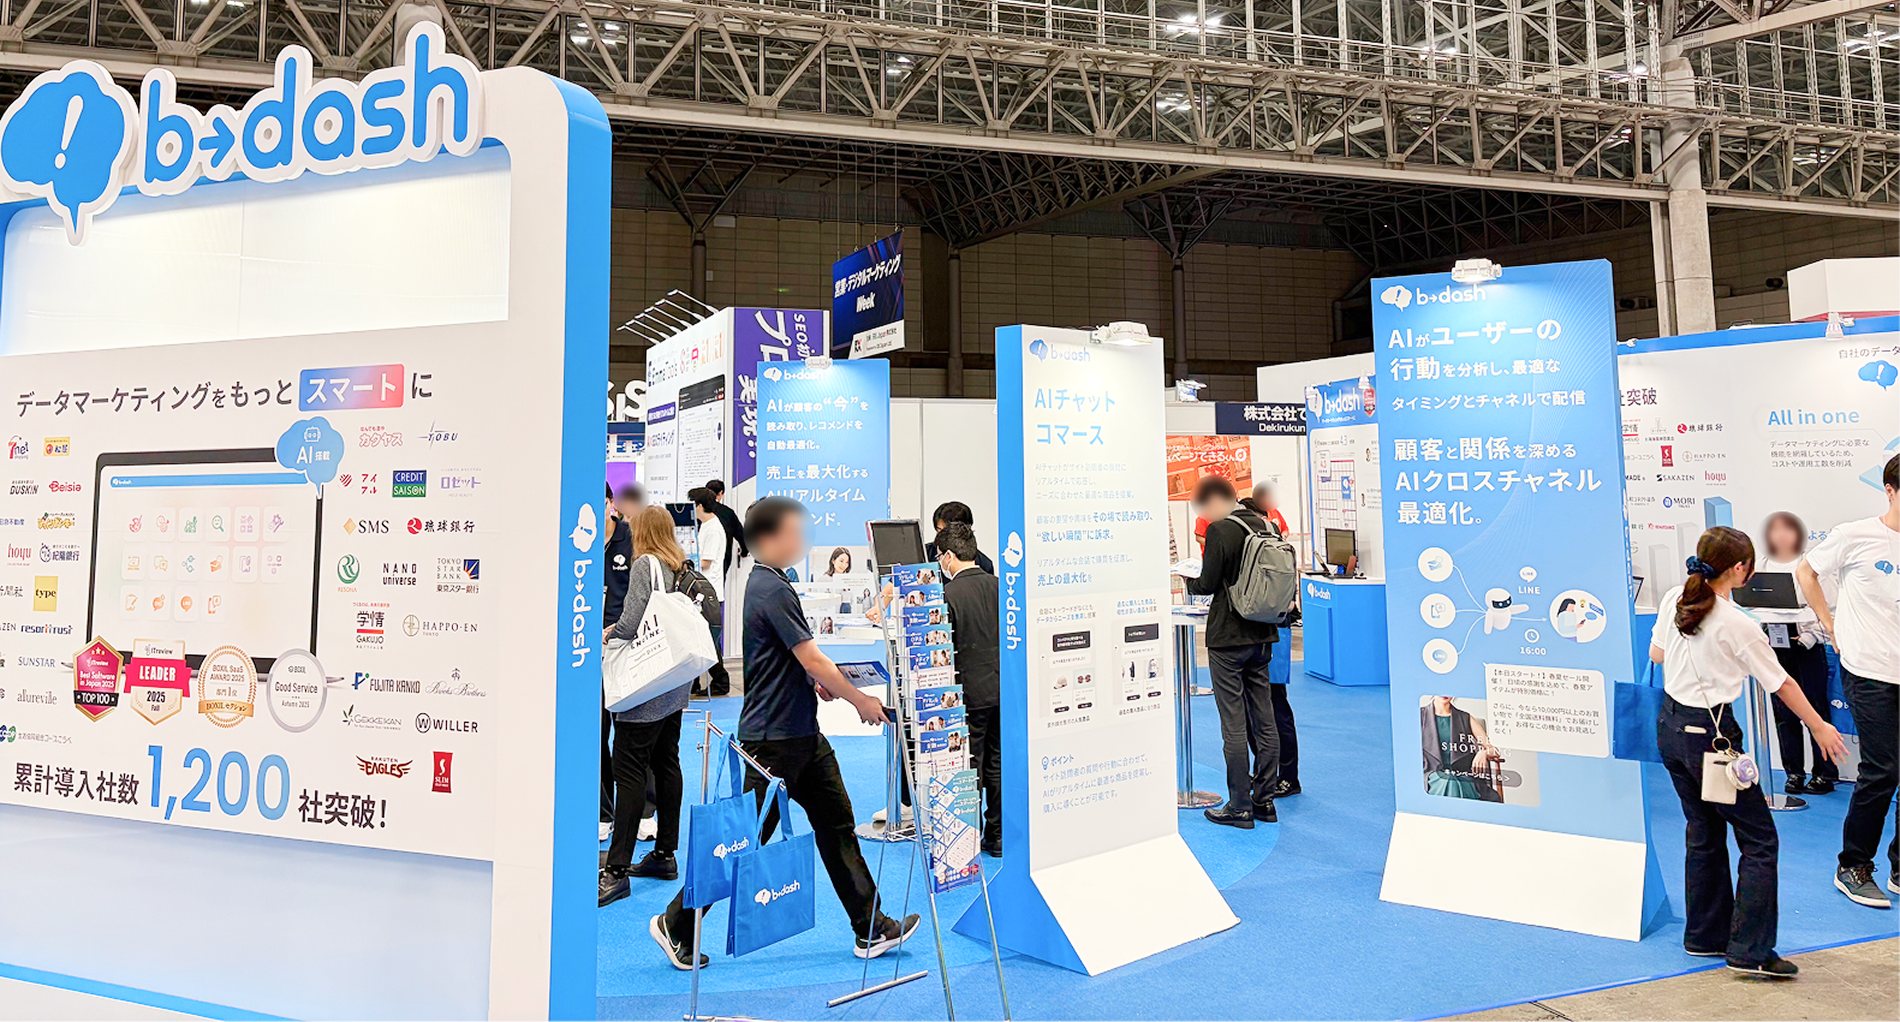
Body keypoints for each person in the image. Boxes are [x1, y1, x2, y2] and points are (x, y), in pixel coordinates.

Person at [649, 497, 918, 969]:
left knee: (836, 827)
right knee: (741, 843)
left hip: (801, 737)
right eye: (795, 532)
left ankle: (870, 926)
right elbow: (811, 656)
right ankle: (676, 922)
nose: (802, 540)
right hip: (773, 742)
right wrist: (860, 700)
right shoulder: (769, 587)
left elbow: (790, 660)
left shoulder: (773, 583)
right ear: (769, 537)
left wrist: (815, 684)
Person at [1655, 527, 1845, 976]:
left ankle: (1704, 936)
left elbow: (1657, 654)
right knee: (1760, 840)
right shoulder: (1738, 623)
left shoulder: (1673, 599)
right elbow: (1782, 683)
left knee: (1702, 831)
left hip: (1671, 729)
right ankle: (1750, 950)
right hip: (1713, 737)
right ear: (1741, 569)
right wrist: (1819, 726)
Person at [1800, 452, 1900, 909]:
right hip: (1870, 669)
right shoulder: (1855, 535)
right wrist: (1829, 624)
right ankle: (1853, 865)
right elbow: (1806, 571)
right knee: (1883, 769)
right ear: (1890, 491)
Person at [599, 506, 698, 908]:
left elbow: (632, 621)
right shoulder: (679, 565)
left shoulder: (645, 565)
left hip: (645, 687)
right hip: (674, 681)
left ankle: (616, 870)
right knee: (666, 762)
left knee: (629, 770)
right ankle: (664, 854)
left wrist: (611, 634)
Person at [1180, 475, 1280, 828]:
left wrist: (1189, 580)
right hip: (1263, 634)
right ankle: (1265, 801)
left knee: (1233, 724)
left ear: (1214, 501)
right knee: (1264, 719)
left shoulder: (1221, 530)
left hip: (1228, 637)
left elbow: (1207, 584)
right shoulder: (1267, 525)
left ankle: (1239, 806)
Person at [1761, 511, 1837, 798]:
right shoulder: (1761, 566)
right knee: (1783, 711)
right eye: (1775, 529)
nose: (1781, 535)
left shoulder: (1810, 565)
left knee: (1816, 709)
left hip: (1807, 647)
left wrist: (1810, 637)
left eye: (1787, 529)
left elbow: (1829, 609)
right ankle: (1794, 772)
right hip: (1774, 646)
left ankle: (1824, 772)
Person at [937, 523, 1003, 856]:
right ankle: (998, 836)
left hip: (967, 695)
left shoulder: (947, 595)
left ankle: (966, 839)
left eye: (939, 556)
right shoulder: (1001, 587)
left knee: (969, 766)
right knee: (998, 763)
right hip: (1003, 689)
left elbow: (942, 651)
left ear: (948, 556)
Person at [1244, 481, 1300, 797]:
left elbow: (1288, 601)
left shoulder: (1275, 549)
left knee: (1276, 707)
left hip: (1274, 634)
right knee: (1255, 709)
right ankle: (1266, 771)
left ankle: (1288, 776)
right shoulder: (1259, 548)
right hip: (1258, 634)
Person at [687, 486, 737, 698]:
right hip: (704, 591)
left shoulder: (713, 529)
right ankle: (695, 683)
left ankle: (720, 682)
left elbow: (706, 562)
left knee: (709, 640)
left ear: (699, 505)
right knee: (699, 639)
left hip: (710, 593)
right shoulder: (706, 526)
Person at [1420, 697, 1503, 802]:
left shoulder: (1466, 718)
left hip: (1462, 776)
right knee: (1449, 781)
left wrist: (1484, 752)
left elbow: (1495, 751)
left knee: (1452, 781)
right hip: (1431, 776)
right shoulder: (1419, 716)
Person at [930, 501, 995, 575]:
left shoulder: (983, 564)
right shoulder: (926, 553)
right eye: (939, 530)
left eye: (946, 532)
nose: (942, 536)